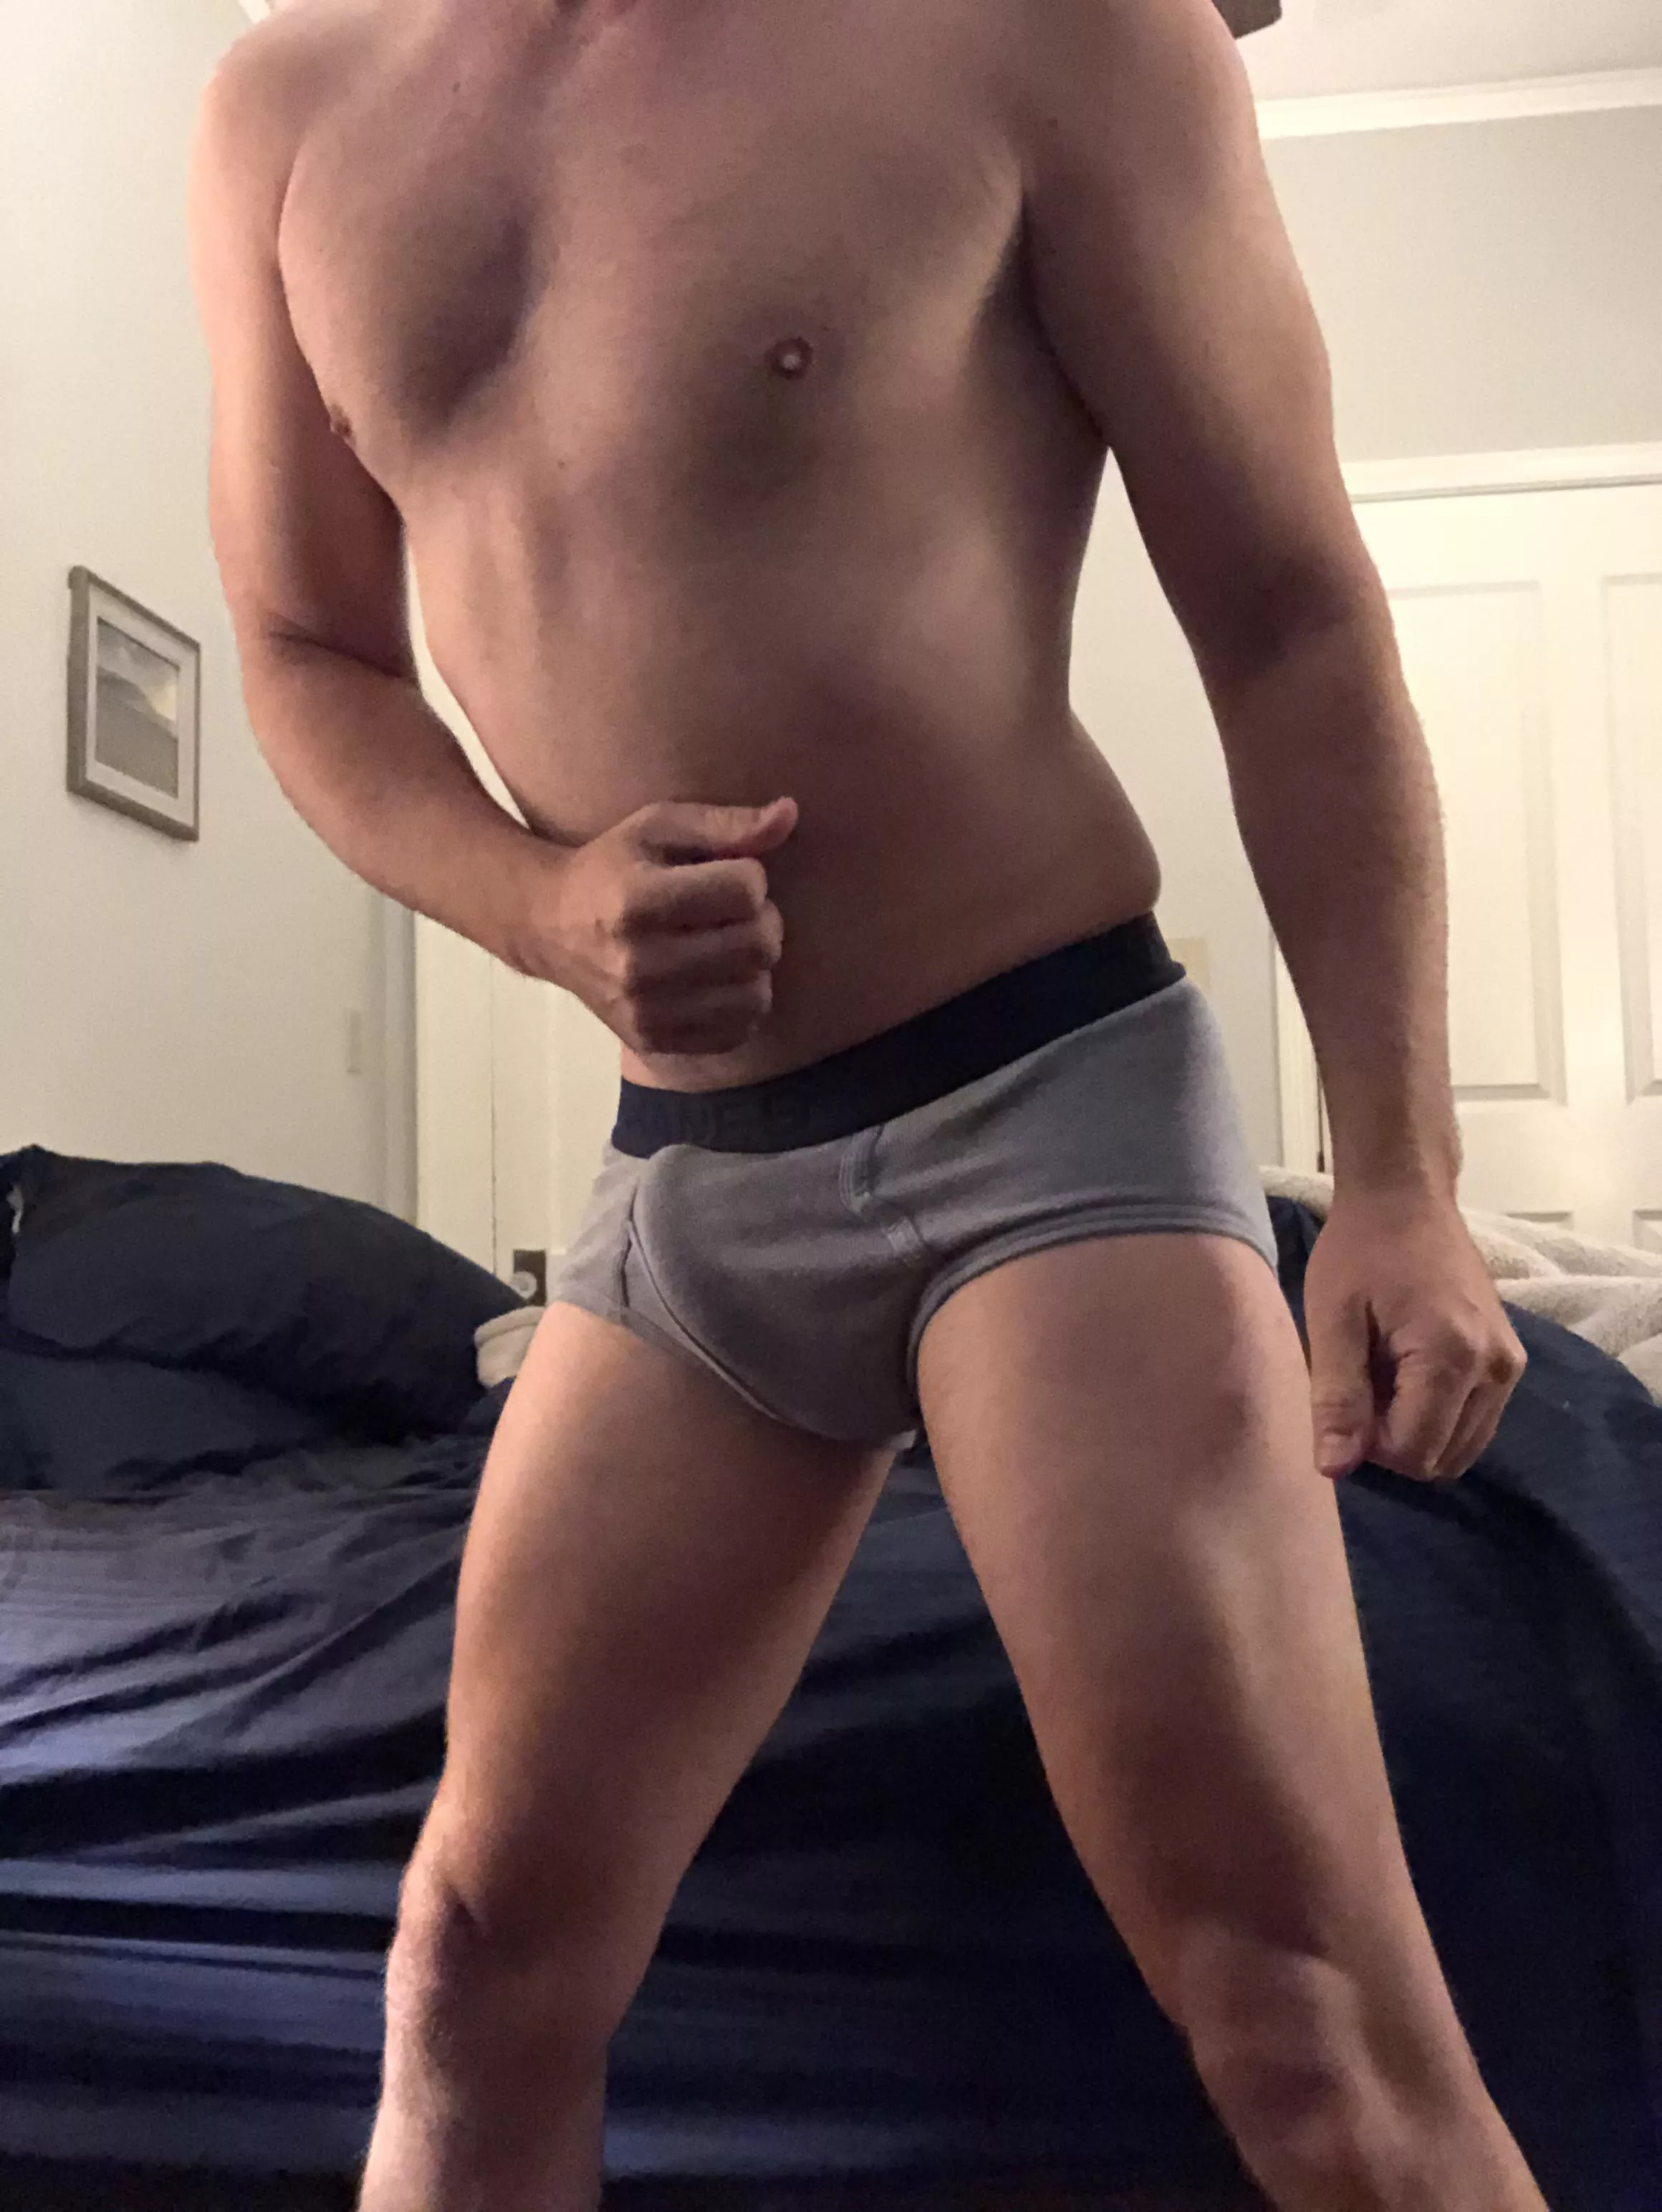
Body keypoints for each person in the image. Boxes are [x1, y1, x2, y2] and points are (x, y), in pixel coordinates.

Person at [188, 1, 1547, 2207]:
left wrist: (1401, 1175)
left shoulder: (1049, 27)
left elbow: (1290, 613)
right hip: (685, 1187)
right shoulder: (285, 107)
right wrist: (537, 906)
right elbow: (302, 648)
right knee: (470, 1966)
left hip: (1044, 1113)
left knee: (1299, 2003)